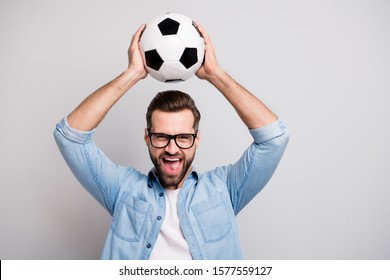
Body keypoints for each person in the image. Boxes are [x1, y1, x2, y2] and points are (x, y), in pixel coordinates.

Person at [54, 22, 289, 260]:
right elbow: (70, 136)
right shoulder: (122, 189)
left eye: (183, 137)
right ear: (147, 137)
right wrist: (131, 75)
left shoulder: (225, 189)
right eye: (161, 137)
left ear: (197, 139)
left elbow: (274, 139)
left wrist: (215, 75)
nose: (172, 148)